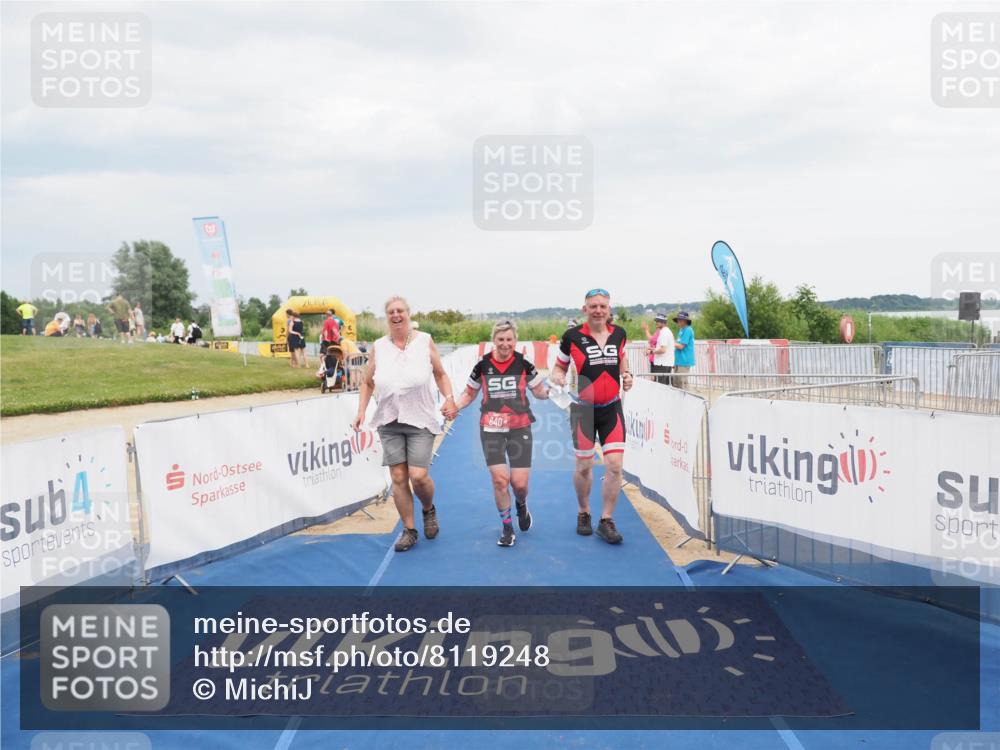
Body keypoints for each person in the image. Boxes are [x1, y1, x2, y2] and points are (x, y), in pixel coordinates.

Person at [352, 296, 457, 553]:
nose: (396, 315)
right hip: (389, 419)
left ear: (409, 314)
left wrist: (450, 398)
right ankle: (409, 530)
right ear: (386, 317)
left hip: (420, 418)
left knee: (418, 477)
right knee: (398, 477)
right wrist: (361, 411)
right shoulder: (379, 346)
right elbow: (367, 382)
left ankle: (428, 509)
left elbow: (440, 373)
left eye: (400, 311)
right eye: (391, 312)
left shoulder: (424, 341)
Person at [454, 320, 550, 547]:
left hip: (519, 428)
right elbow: (468, 394)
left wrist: (554, 390)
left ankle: (522, 504)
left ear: (515, 341)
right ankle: (507, 527)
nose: (505, 344)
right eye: (501, 340)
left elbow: (539, 392)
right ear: (494, 340)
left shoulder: (524, 364)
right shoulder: (482, 365)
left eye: (509, 340)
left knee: (519, 485)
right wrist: (454, 407)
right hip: (491, 429)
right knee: (500, 480)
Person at [549, 288, 633, 544]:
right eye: (593, 306)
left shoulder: (619, 333)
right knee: (584, 465)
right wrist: (557, 376)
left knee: (615, 466)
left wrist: (627, 375)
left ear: (609, 310)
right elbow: (558, 366)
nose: (598, 310)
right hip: (583, 409)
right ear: (585, 309)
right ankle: (583, 511)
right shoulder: (571, 337)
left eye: (603, 306)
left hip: (611, 408)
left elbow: (622, 358)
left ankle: (606, 520)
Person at [648, 311, 675, 385]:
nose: (656, 322)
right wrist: (653, 349)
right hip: (666, 363)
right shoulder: (667, 331)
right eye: (656, 321)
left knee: (661, 386)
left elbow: (663, 350)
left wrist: (651, 352)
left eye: (658, 321)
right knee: (665, 386)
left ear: (663, 322)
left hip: (662, 364)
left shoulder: (664, 333)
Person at [673, 311, 696, 389]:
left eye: (680, 320)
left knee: (682, 383)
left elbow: (681, 346)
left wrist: (670, 343)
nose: (678, 321)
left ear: (686, 321)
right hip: (679, 360)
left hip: (684, 360)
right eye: (678, 320)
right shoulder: (681, 330)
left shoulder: (688, 330)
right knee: (676, 383)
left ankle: (688, 400)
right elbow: (677, 343)